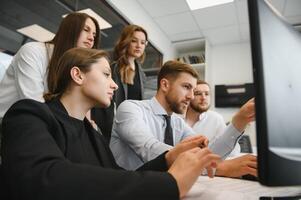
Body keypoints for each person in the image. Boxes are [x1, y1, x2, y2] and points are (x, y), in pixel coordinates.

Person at [0, 47, 220, 200]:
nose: (115, 85)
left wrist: (167, 159)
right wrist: (169, 185)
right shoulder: (29, 114)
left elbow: (118, 177)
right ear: (77, 75)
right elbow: (42, 179)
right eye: (106, 74)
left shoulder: (93, 134)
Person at [110, 60, 255, 171]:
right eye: (186, 87)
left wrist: (238, 122)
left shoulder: (177, 124)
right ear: (165, 85)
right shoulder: (130, 109)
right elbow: (149, 149)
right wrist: (220, 168)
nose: (191, 97)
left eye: (193, 90)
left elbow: (209, 153)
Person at [0, 12, 100, 123]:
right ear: (70, 30)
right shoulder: (33, 51)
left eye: (94, 35)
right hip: (6, 124)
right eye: (86, 30)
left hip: (37, 125)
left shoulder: (73, 69)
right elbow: (34, 103)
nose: (91, 38)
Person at [185, 80, 257, 178]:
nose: (203, 97)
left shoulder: (216, 118)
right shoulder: (176, 120)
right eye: (198, 93)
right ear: (189, 96)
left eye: (207, 94)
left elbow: (232, 152)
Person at [91, 24, 147, 142]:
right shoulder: (113, 66)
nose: (139, 46)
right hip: (111, 122)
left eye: (142, 42)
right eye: (134, 41)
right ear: (126, 42)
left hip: (132, 123)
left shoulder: (142, 74)